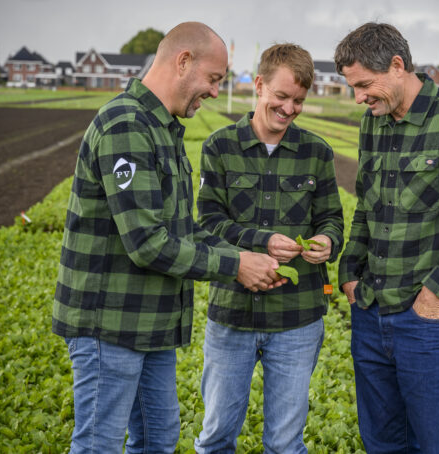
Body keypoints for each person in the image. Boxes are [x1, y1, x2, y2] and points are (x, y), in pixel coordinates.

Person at [52, 22, 286, 454]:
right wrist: (236, 266)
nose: (216, 92)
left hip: (151, 327)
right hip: (111, 325)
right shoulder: (126, 125)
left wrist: (245, 255)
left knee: (159, 439)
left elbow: (184, 230)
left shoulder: (163, 129)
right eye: (214, 79)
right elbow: (146, 242)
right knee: (99, 444)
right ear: (183, 62)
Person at [334, 23, 439, 453]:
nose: (359, 97)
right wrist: (349, 273)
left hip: (429, 319)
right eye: (353, 87)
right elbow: (368, 208)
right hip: (371, 312)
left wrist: (433, 295)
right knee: (383, 443)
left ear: (396, 66)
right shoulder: (373, 123)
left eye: (365, 85)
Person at [194, 43, 344, 453]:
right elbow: (208, 222)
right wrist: (261, 242)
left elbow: (332, 218)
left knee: (285, 443)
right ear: (259, 86)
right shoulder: (219, 147)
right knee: (216, 436)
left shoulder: (317, 152)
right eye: (281, 96)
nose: (290, 108)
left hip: (298, 319)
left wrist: (327, 241)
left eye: (298, 100)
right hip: (232, 315)